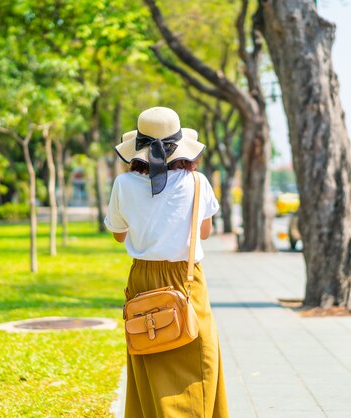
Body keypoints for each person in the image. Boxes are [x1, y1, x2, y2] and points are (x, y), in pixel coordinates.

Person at [104, 107, 229, 417]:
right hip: (186, 279)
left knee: (150, 355)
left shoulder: (123, 185)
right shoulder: (197, 182)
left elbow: (119, 235)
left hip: (143, 279)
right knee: (199, 363)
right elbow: (204, 232)